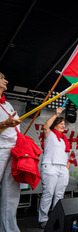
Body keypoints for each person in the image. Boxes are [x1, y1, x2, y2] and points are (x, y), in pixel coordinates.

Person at [38, 107, 71, 228]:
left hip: (62, 168)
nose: (63, 125)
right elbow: (46, 126)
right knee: (48, 193)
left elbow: (65, 155)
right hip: (51, 166)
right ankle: (43, 219)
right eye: (60, 123)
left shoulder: (64, 140)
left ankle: (56, 217)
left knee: (59, 195)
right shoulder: (50, 135)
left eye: (64, 124)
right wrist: (55, 114)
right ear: (55, 125)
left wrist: (67, 166)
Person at [0, 72, 22, 232]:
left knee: (11, 194)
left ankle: (9, 229)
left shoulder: (7, 105)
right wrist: (6, 123)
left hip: (13, 152)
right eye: (1, 78)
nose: (6, 80)